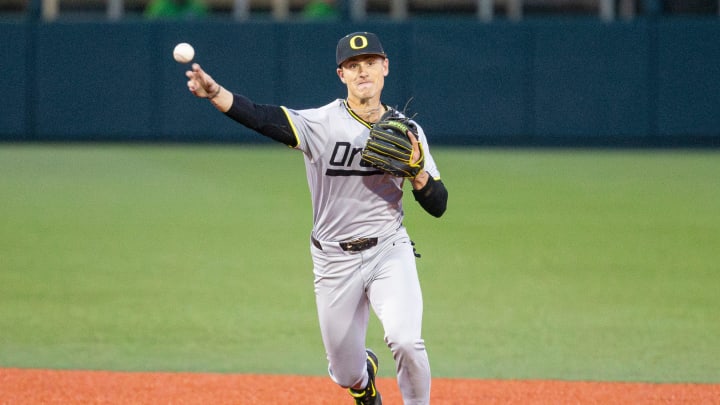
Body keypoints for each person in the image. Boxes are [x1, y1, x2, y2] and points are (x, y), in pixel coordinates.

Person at [183, 32, 448, 405]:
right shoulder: (321, 123)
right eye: (353, 66)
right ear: (341, 74)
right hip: (333, 260)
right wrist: (215, 93)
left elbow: (438, 204)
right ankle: (364, 384)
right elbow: (261, 117)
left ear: (385, 67)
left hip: (389, 250)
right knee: (344, 372)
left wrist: (418, 174)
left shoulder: (409, 132)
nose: (363, 72)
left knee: (406, 339)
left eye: (370, 62)